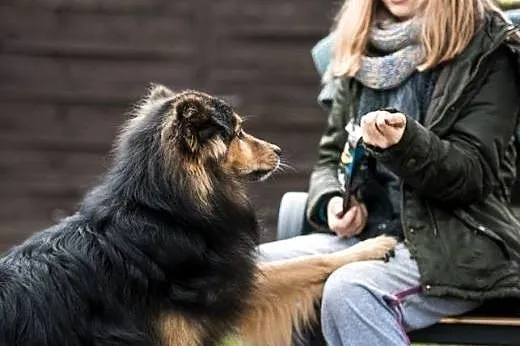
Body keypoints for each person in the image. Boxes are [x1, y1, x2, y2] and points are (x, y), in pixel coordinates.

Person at [257, 0, 520, 345]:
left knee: (350, 289)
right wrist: (333, 201)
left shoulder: (487, 49)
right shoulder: (359, 47)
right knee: (252, 270)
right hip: (365, 236)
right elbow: (330, 158)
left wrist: (404, 144)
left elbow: (473, 175)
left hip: (456, 243)